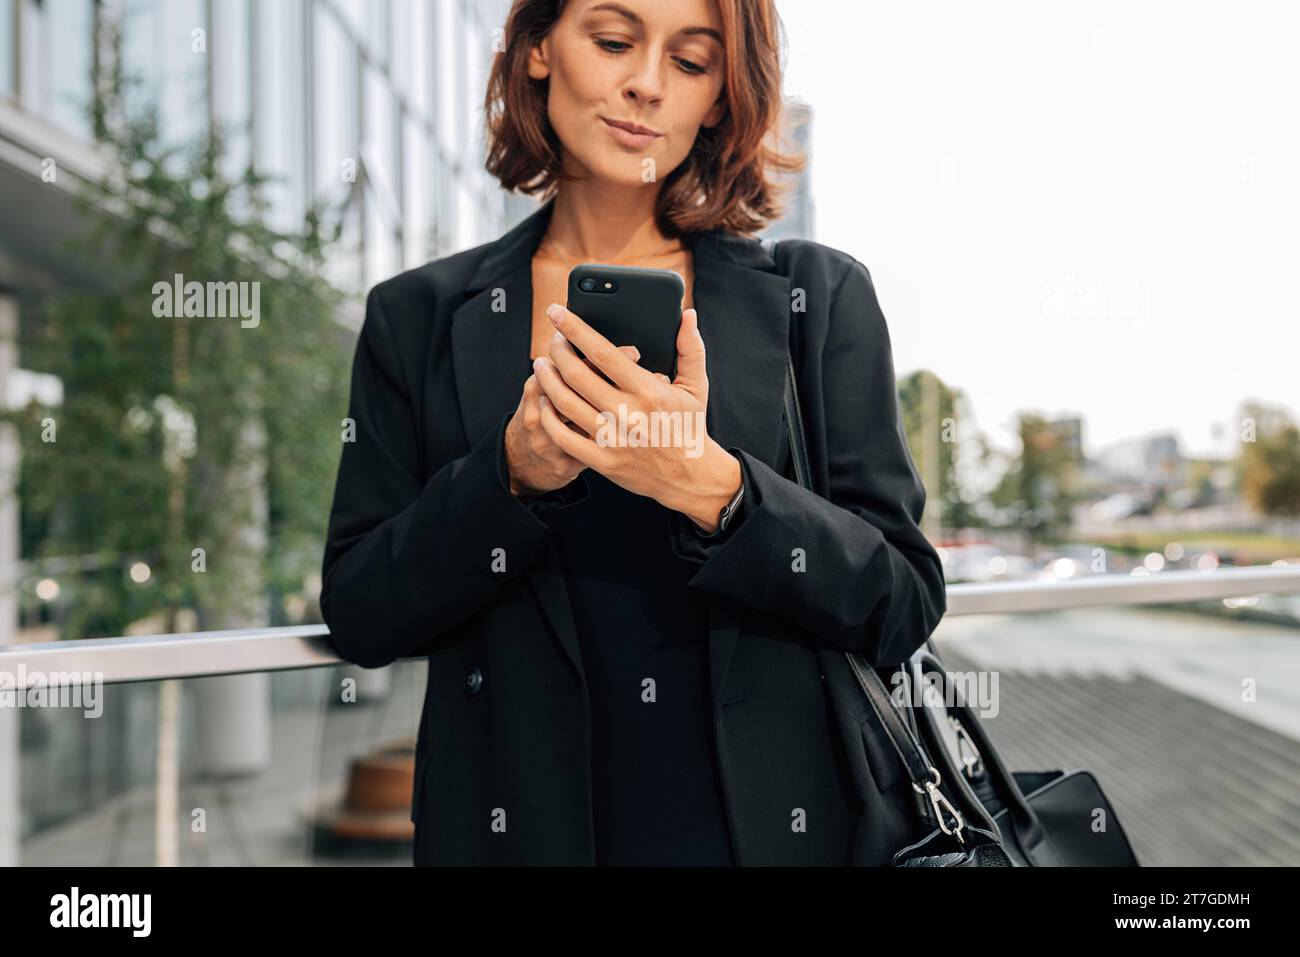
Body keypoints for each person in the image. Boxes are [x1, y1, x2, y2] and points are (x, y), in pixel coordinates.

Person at [319, 0, 947, 866]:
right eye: (613, 41)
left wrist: (712, 488)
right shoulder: (416, 317)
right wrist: (509, 474)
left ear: (722, 99)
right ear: (539, 49)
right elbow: (361, 611)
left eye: (691, 63)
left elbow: (903, 601)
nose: (645, 85)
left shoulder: (816, 299)